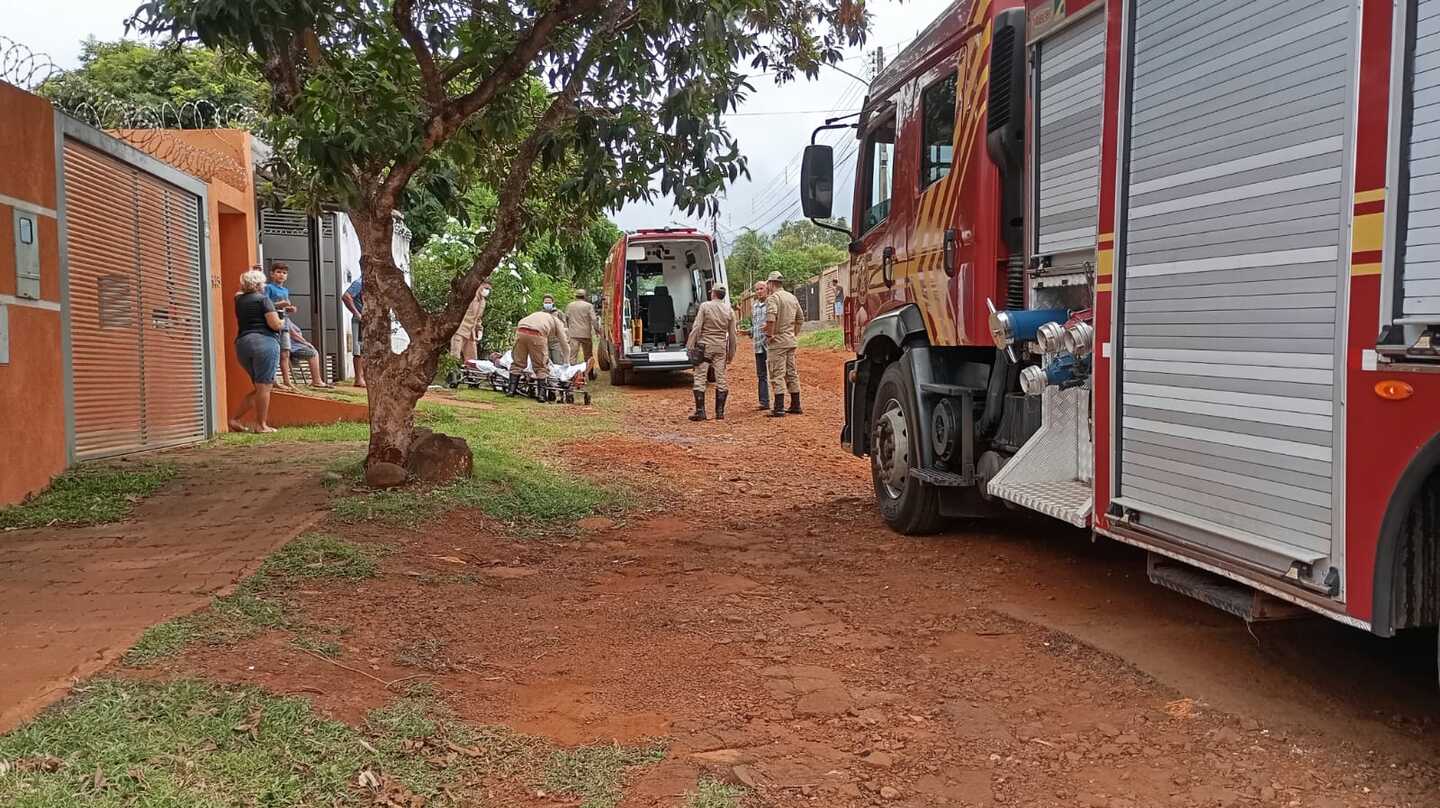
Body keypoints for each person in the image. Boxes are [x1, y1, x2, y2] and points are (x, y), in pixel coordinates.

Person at [231, 268, 284, 433]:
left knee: (260, 387)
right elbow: (274, 324)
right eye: (263, 282)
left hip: (243, 344)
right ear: (259, 284)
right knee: (264, 387)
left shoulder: (239, 299)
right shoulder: (264, 300)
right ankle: (261, 425)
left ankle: (234, 419)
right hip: (265, 342)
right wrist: (283, 321)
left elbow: (240, 292)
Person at [685, 285, 738, 421]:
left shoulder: (705, 306)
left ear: (713, 293)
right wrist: (731, 354)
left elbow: (697, 327)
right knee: (720, 378)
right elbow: (732, 335)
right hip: (720, 348)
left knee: (700, 377)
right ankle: (720, 413)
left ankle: (700, 411)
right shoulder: (729, 310)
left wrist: (690, 345)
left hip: (705, 347)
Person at [763, 271, 805, 417]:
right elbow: (800, 318)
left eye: (767, 284)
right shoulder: (792, 297)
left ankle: (779, 407)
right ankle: (795, 404)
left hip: (778, 342)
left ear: (770, 283)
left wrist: (769, 335)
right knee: (791, 372)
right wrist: (793, 333)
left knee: (777, 373)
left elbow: (770, 318)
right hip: (790, 340)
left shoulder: (773, 298)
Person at [510, 305, 570, 401]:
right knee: (541, 365)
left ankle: (511, 390)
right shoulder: (558, 322)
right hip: (537, 333)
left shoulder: (538, 314)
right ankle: (541, 395)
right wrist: (567, 363)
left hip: (521, 330)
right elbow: (565, 345)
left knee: (518, 362)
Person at [265, 262, 299, 390]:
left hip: (284, 323)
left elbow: (283, 308)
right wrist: (281, 304)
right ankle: (273, 379)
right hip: (272, 324)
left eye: (284, 273)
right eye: (278, 272)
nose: (281, 275)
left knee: (285, 352)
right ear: (272, 274)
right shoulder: (268, 288)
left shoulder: (285, 290)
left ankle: (287, 380)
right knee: (274, 352)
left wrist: (289, 309)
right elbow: (265, 304)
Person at [285, 319, 336, 388]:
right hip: (293, 347)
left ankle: (317, 380)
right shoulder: (283, 317)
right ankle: (317, 381)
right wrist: (306, 343)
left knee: (313, 351)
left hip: (295, 346)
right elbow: (293, 334)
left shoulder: (286, 318)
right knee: (313, 353)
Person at [450, 281, 491, 362]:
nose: (487, 291)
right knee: (454, 357)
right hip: (460, 330)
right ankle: (451, 374)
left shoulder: (483, 302)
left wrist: (479, 330)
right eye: (485, 288)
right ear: (480, 286)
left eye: (489, 289)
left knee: (472, 361)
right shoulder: (470, 297)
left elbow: (478, 318)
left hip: (470, 333)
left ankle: (469, 374)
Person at [565, 289, 598, 376]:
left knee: (573, 356)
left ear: (576, 296)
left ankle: (572, 375)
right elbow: (594, 319)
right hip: (586, 334)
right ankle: (590, 374)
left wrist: (568, 328)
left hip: (574, 334)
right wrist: (597, 330)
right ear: (585, 296)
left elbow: (566, 318)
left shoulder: (570, 305)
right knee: (588, 356)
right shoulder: (589, 306)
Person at [749, 281, 770, 411]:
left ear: (767, 289)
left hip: (769, 344)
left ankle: (780, 401)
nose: (759, 291)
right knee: (761, 375)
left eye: (761, 288)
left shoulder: (772, 304)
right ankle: (764, 401)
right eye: (757, 289)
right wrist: (749, 332)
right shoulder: (755, 306)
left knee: (775, 374)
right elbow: (755, 325)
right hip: (758, 345)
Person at [341, 275, 365, 388]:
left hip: (370, 321)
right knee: (359, 349)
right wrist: (357, 313)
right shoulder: (359, 282)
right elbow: (346, 296)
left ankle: (364, 377)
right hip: (360, 320)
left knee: (367, 350)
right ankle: (358, 379)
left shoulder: (374, 283)